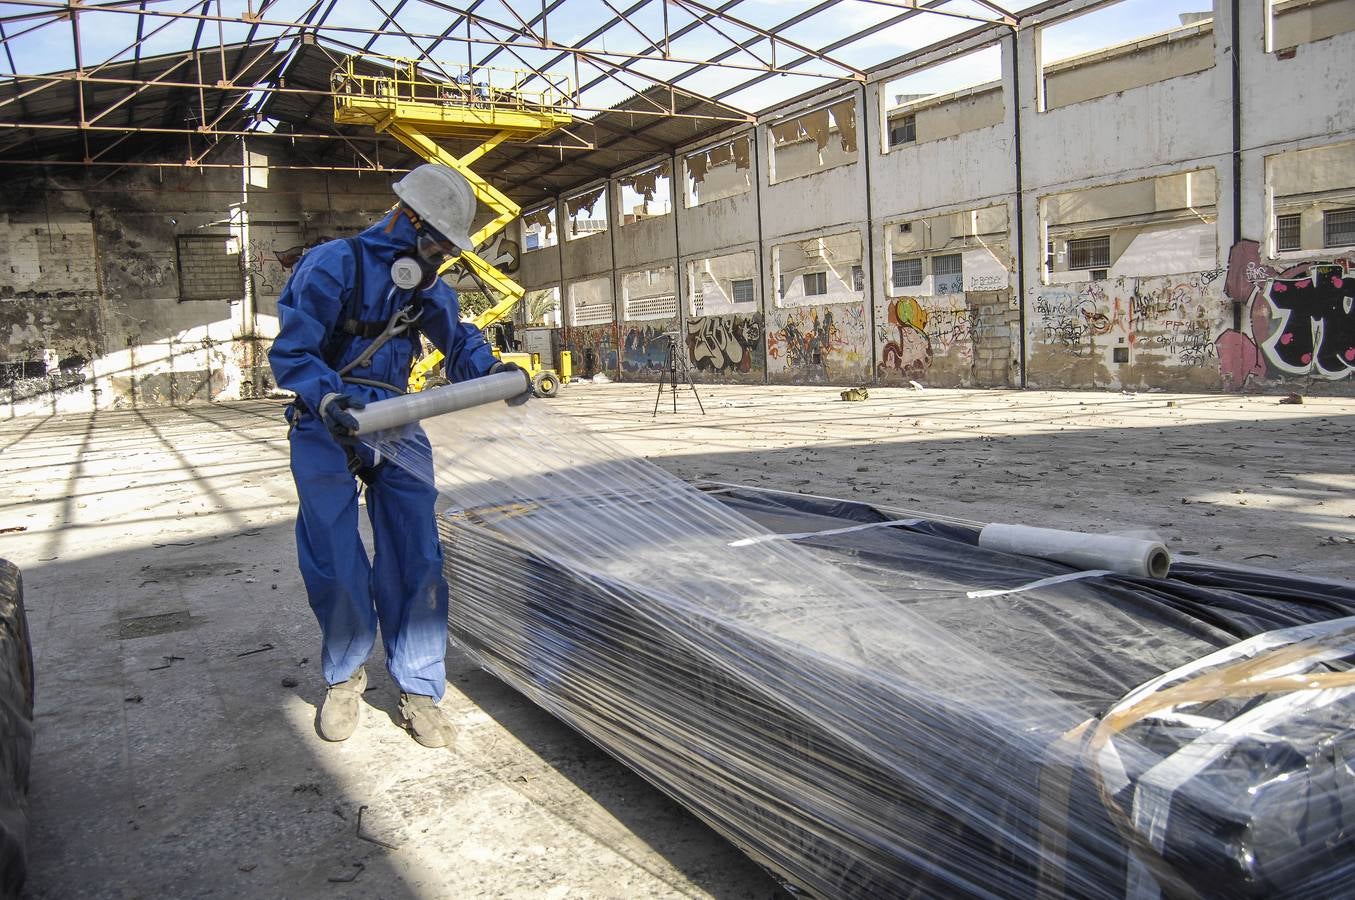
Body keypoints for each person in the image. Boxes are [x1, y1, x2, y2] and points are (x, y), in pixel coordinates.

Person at [268, 163, 523, 748]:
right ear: (405, 220)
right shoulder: (333, 265)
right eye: (434, 242)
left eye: (445, 252)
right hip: (326, 419)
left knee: (417, 553)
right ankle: (344, 677)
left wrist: (494, 372)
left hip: (396, 420)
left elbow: (459, 341)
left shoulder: (427, 287)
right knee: (334, 554)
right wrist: (326, 396)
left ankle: (420, 689)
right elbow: (293, 350)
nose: (437, 260)